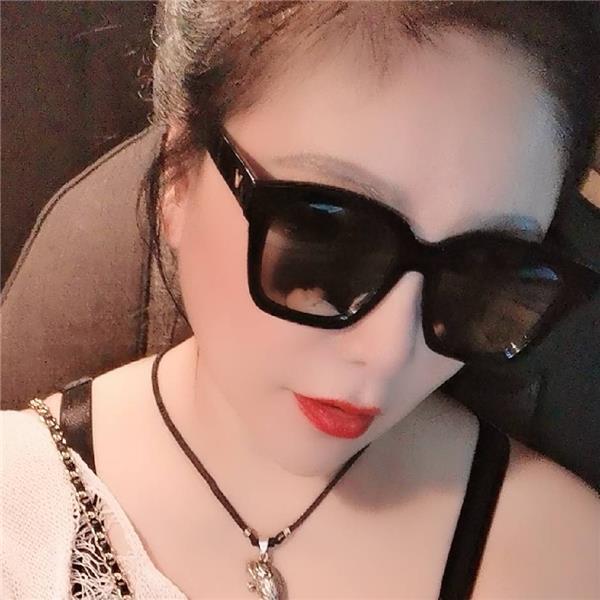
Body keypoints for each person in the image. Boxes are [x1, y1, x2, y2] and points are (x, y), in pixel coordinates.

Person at [2, 2, 599, 599]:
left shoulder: (565, 561)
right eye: (325, 235)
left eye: (487, 272)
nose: (389, 352)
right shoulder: (18, 507)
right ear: (179, 179)